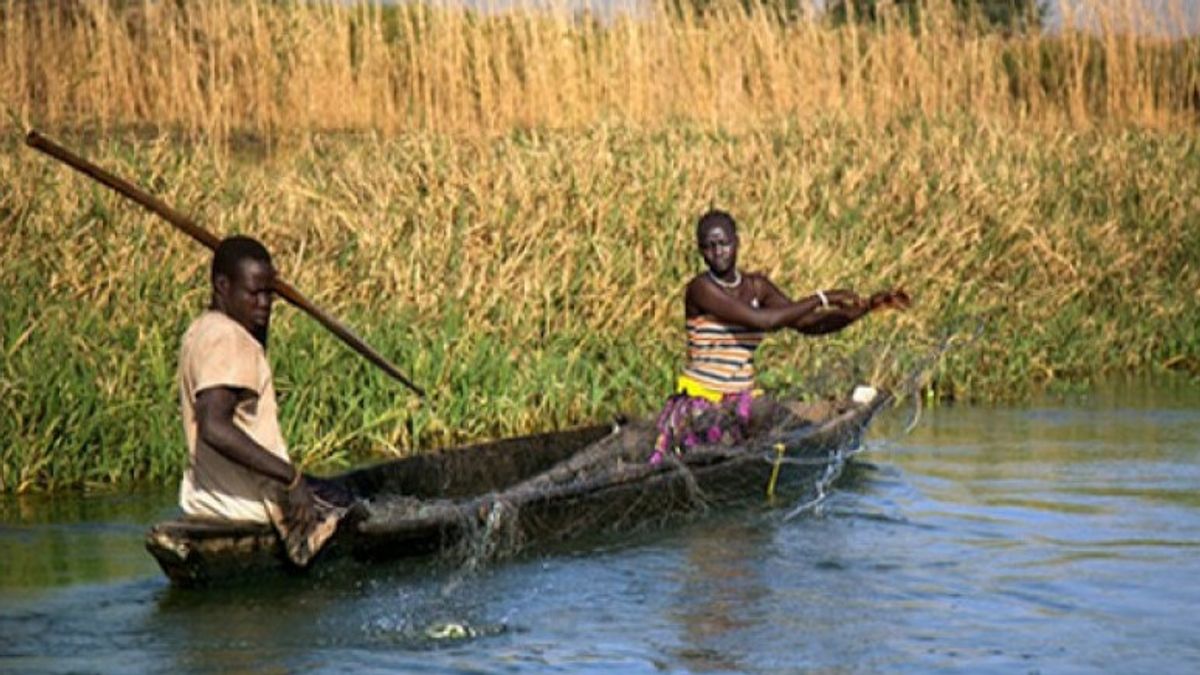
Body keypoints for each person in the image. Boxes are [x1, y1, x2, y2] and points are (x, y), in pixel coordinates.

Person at [651, 209, 909, 463]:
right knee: (768, 414)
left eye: (724, 243)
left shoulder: (756, 287)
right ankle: (813, 438)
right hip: (703, 400)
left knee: (767, 415)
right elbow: (765, 320)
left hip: (741, 398)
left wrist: (863, 309)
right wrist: (823, 298)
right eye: (709, 246)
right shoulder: (701, 288)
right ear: (700, 251)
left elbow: (807, 324)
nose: (718, 252)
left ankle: (811, 438)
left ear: (737, 242)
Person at [178, 235, 350, 565]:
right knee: (357, 507)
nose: (264, 303)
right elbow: (214, 426)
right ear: (222, 286)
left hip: (208, 501)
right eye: (254, 293)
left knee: (336, 493)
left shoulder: (202, 330)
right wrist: (291, 478)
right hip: (250, 508)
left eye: (269, 293)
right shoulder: (230, 339)